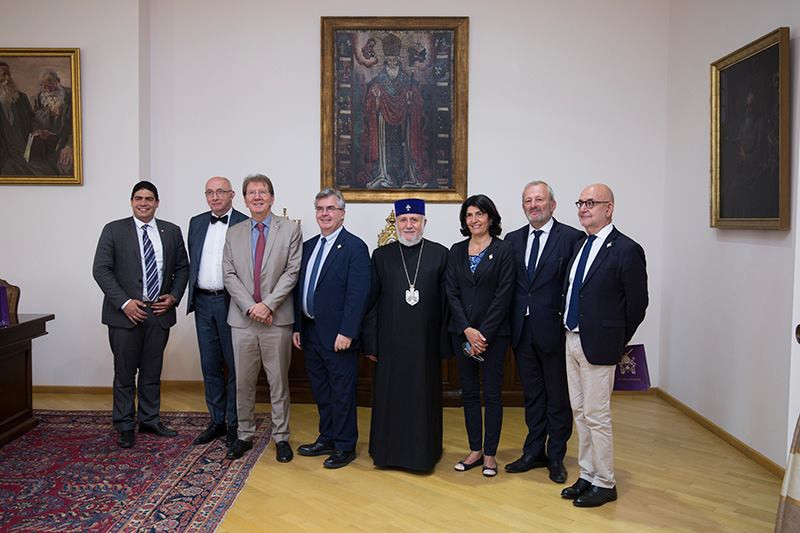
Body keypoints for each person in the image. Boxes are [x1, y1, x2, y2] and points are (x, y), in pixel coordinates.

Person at [560, 183, 648, 507]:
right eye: (580, 203)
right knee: (580, 412)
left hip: (600, 345)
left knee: (597, 416)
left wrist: (615, 339)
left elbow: (637, 304)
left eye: (591, 203)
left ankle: (605, 482)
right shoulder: (580, 245)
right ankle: (587, 474)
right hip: (571, 339)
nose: (583, 208)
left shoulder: (626, 249)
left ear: (608, 208)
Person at [92, 180, 189, 449]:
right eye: (138, 198)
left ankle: (149, 419)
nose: (143, 203)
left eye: (149, 198)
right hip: (125, 315)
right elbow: (101, 269)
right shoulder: (113, 230)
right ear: (132, 202)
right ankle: (124, 424)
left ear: (157, 203)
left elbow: (183, 268)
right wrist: (125, 303)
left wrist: (174, 297)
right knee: (124, 373)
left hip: (158, 312)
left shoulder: (171, 231)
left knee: (152, 371)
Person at [504, 181, 583, 484]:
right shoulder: (512, 240)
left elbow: (576, 286)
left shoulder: (571, 238)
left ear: (552, 205)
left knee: (557, 397)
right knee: (533, 395)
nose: (533, 205)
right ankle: (533, 451)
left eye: (539, 199)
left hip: (555, 332)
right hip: (522, 332)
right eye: (528, 200)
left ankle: (556, 455)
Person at [362, 198, 449, 472]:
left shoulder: (440, 254)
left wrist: (443, 345)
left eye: (414, 220)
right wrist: (371, 343)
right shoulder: (381, 256)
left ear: (424, 223)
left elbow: (447, 304)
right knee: (390, 398)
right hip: (390, 345)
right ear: (396, 223)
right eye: (403, 220)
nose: (409, 225)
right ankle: (386, 453)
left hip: (425, 346)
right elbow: (371, 303)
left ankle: (424, 455)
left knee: (423, 400)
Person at [222, 173, 301, 462]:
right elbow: (229, 274)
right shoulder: (234, 232)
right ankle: (244, 434)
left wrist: (267, 305)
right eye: (252, 192)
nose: (257, 197)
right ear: (244, 199)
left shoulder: (290, 229)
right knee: (243, 382)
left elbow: (292, 272)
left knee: (278, 382)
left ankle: (281, 436)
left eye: (263, 192)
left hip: (276, 319)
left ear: (272, 197)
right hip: (242, 320)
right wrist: (251, 307)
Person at [292, 188, 371, 469]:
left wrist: (347, 331)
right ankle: (326, 437)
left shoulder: (355, 247)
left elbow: (358, 294)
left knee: (342, 393)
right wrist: (297, 326)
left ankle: (345, 446)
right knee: (321, 391)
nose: (324, 214)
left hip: (339, 335)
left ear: (342, 214)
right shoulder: (308, 246)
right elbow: (299, 289)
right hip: (310, 332)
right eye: (320, 209)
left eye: (330, 209)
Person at [445, 194, 514, 477]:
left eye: (479, 214)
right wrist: (467, 329)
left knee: (493, 395)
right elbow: (451, 292)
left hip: (493, 336)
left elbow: (504, 294)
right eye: (469, 215)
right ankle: (475, 449)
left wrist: (482, 334)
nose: (474, 220)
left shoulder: (504, 249)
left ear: (490, 217)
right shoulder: (456, 251)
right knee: (470, 394)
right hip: (462, 333)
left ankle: (490, 455)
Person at [186, 176, 248, 447]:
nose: (215, 197)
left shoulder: (245, 223)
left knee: (234, 365)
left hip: (231, 302)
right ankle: (216, 420)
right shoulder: (196, 223)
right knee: (209, 364)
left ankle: (234, 422)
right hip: (202, 302)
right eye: (210, 192)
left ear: (232, 194)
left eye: (220, 192)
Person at [359, 33, 429, 189]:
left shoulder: (407, 80)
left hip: (403, 124)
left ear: (398, 60)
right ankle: (384, 175)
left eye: (394, 60)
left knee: (404, 147)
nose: (392, 62)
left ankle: (408, 177)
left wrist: (411, 97)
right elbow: (370, 102)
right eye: (389, 60)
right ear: (386, 61)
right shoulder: (378, 81)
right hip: (384, 124)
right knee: (386, 149)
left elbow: (416, 100)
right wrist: (376, 97)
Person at [29, 69, 73, 175]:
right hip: (47, 142)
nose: (47, 89)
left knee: (65, 168)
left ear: (57, 81)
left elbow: (75, 123)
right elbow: (35, 119)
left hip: (65, 141)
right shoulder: (38, 98)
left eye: (50, 84)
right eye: (44, 86)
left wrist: (70, 145)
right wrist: (50, 114)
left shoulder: (69, 95)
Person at [0, 62, 34, 176]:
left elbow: (32, 120)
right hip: (4, 157)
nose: (7, 78)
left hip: (24, 153)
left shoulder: (22, 98)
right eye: (3, 74)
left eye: (8, 74)